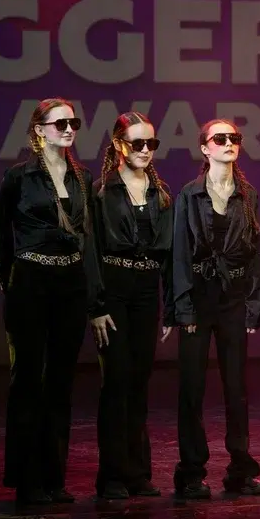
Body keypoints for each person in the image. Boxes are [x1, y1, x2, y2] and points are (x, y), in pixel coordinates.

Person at [0, 98, 101, 505]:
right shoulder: (19, 176)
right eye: (60, 123)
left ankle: (54, 478)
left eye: (73, 122)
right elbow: (0, 234)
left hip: (69, 284)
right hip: (31, 282)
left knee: (60, 381)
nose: (69, 129)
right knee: (27, 380)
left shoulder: (82, 177)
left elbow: (87, 237)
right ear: (39, 130)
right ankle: (27, 479)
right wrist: (11, 279)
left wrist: (91, 294)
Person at [170, 119, 260, 499]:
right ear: (205, 148)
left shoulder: (248, 194)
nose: (229, 143)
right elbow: (180, 253)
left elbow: (254, 252)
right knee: (192, 387)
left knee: (236, 386)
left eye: (234, 138)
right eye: (221, 138)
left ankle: (240, 469)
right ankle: (191, 471)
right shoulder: (189, 194)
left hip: (233, 297)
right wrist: (183, 308)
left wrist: (254, 303)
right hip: (198, 297)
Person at [93, 112, 173, 499]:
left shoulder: (161, 193)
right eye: (137, 143)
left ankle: (138, 473)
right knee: (116, 381)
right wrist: (96, 305)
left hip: (146, 290)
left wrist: (170, 305)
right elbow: (92, 249)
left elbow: (169, 254)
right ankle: (111, 475)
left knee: (139, 381)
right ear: (119, 145)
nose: (145, 150)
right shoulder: (101, 191)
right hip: (114, 288)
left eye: (151, 144)